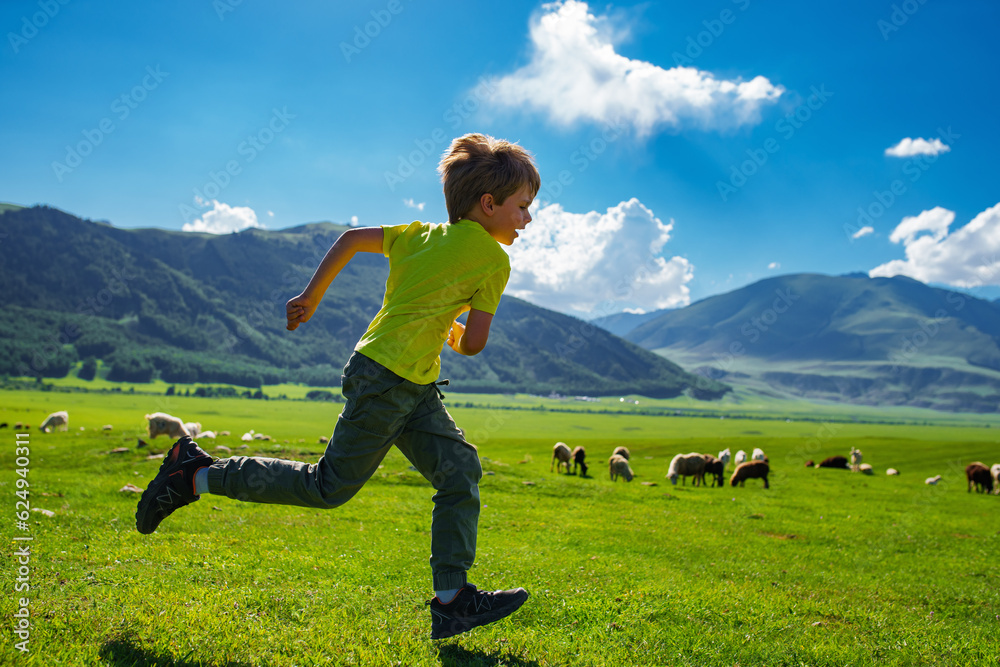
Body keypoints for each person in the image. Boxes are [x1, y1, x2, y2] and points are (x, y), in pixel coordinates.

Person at [135, 133, 540, 640]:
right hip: (391, 382)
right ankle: (193, 475)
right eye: (523, 207)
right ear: (488, 204)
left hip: (399, 377)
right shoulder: (493, 260)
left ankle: (452, 600)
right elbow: (475, 343)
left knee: (459, 470)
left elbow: (350, 239)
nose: (527, 219)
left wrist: (310, 296)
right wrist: (454, 333)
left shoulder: (419, 234)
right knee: (326, 488)